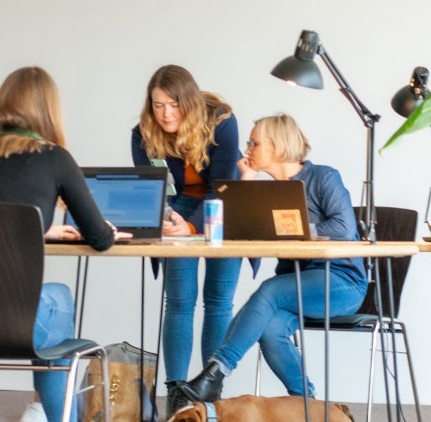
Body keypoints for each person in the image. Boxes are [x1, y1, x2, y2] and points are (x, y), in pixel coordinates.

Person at [0, 66, 130, 422]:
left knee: (45, 304)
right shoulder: (54, 158)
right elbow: (99, 239)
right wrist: (107, 230)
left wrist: (37, 229)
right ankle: (48, 412)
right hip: (19, 320)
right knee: (58, 296)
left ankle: (38, 410)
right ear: (48, 110)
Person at [178, 114, 367, 401]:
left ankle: (216, 371)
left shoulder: (323, 177)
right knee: (270, 329)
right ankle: (307, 405)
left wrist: (295, 229)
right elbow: (234, 231)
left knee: (270, 290)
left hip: (341, 282)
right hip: (296, 286)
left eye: (254, 143)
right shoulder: (267, 192)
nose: (247, 149)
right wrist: (247, 178)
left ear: (277, 146)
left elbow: (344, 228)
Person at [130, 64, 243, 416]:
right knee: (179, 301)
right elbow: (153, 192)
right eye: (158, 104)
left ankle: (211, 388)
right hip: (177, 209)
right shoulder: (142, 133)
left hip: (223, 205)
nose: (165, 114)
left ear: (189, 102)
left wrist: (192, 227)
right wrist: (169, 221)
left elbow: (221, 187)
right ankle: (177, 390)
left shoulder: (222, 122)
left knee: (218, 300)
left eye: (173, 105)